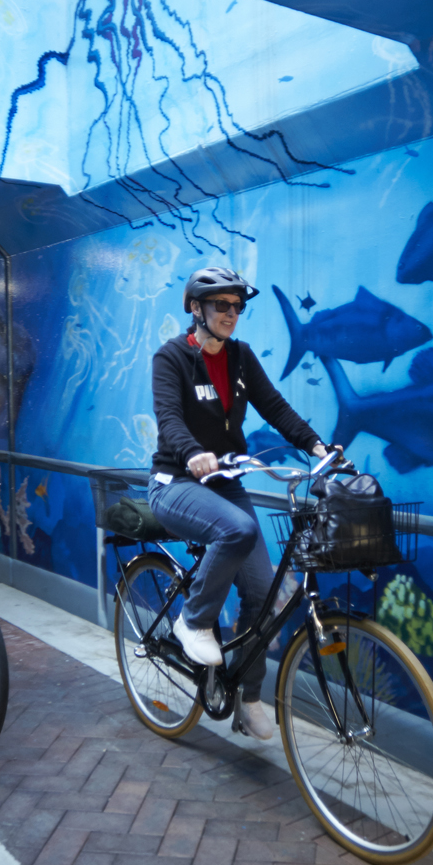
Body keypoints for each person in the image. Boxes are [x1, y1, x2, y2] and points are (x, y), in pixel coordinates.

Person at [147, 267, 335, 741]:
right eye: (222, 305)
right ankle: (192, 622)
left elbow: (275, 407)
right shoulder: (170, 357)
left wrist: (318, 447)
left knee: (265, 595)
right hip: (175, 482)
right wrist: (192, 453)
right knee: (239, 530)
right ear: (197, 308)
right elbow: (169, 418)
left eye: (238, 307)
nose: (232, 314)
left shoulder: (241, 357)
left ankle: (249, 698)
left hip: (225, 483)